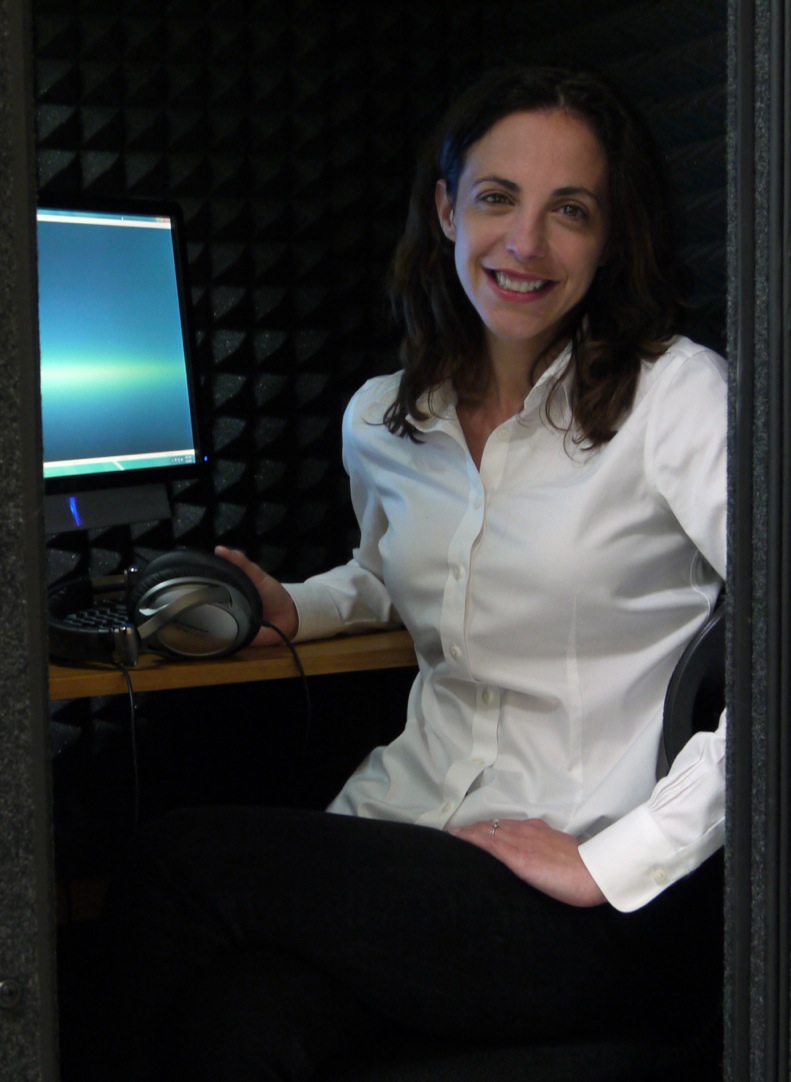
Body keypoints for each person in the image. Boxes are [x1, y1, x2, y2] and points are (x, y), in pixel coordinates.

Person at [96, 65, 726, 1081]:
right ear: (444, 208)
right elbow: (398, 570)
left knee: (176, 860)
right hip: (412, 834)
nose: (524, 243)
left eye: (569, 210)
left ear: (610, 236)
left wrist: (620, 851)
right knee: (242, 1022)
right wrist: (292, 606)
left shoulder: (673, 398)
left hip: (580, 900)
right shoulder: (386, 416)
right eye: (494, 198)